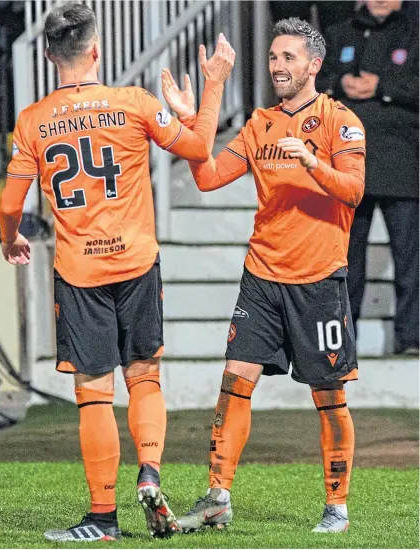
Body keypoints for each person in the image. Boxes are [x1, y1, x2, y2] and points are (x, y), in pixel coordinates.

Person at [0, 3, 235, 542]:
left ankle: (102, 518)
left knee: (93, 390)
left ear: (49, 53)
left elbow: (11, 204)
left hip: (80, 271)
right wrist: (208, 88)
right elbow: (199, 148)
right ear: (97, 50)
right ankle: (149, 471)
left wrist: (10, 238)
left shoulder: (33, 120)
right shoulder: (135, 103)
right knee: (145, 374)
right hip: (137, 262)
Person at [162, 17, 365, 534]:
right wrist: (191, 124)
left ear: (314, 65)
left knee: (329, 396)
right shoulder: (258, 124)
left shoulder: (340, 122)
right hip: (262, 276)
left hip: (320, 280)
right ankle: (217, 496)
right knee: (234, 382)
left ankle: (336, 506)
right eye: (273, 57)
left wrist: (313, 164)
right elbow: (207, 178)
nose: (278, 66)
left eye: (288, 58)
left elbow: (355, 191)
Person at [317, 0, 419, 355]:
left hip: (404, 166)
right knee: (346, 263)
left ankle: (411, 339)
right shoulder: (338, 33)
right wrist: (339, 83)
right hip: (348, 168)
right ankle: (344, 341)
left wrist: (382, 87)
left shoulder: (414, 33)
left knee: (410, 261)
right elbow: (314, 84)